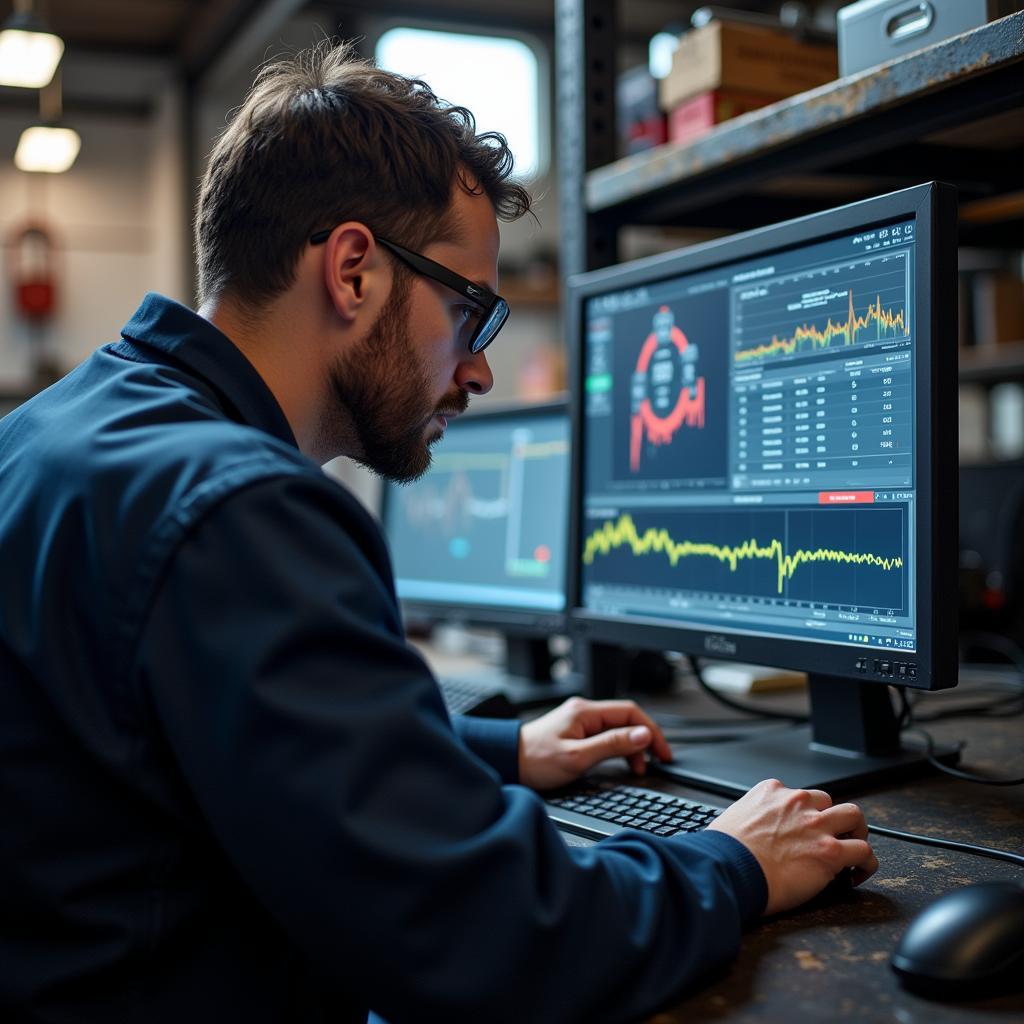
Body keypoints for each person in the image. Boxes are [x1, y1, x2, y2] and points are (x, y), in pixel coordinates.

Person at [0, 40, 877, 1024]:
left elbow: (203, 724)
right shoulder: (242, 508)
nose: (479, 370)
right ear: (354, 271)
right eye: (471, 313)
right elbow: (491, 939)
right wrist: (732, 861)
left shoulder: (49, 434)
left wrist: (499, 750)